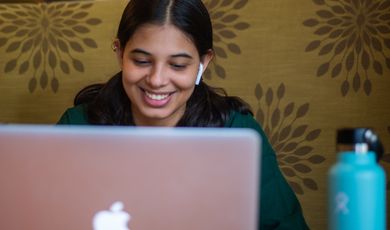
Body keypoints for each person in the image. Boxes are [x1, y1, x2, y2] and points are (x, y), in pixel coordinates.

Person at [58, 0, 309, 229]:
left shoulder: (236, 134)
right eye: (142, 61)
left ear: (204, 62)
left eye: (177, 65)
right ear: (120, 53)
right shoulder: (78, 126)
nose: (157, 80)